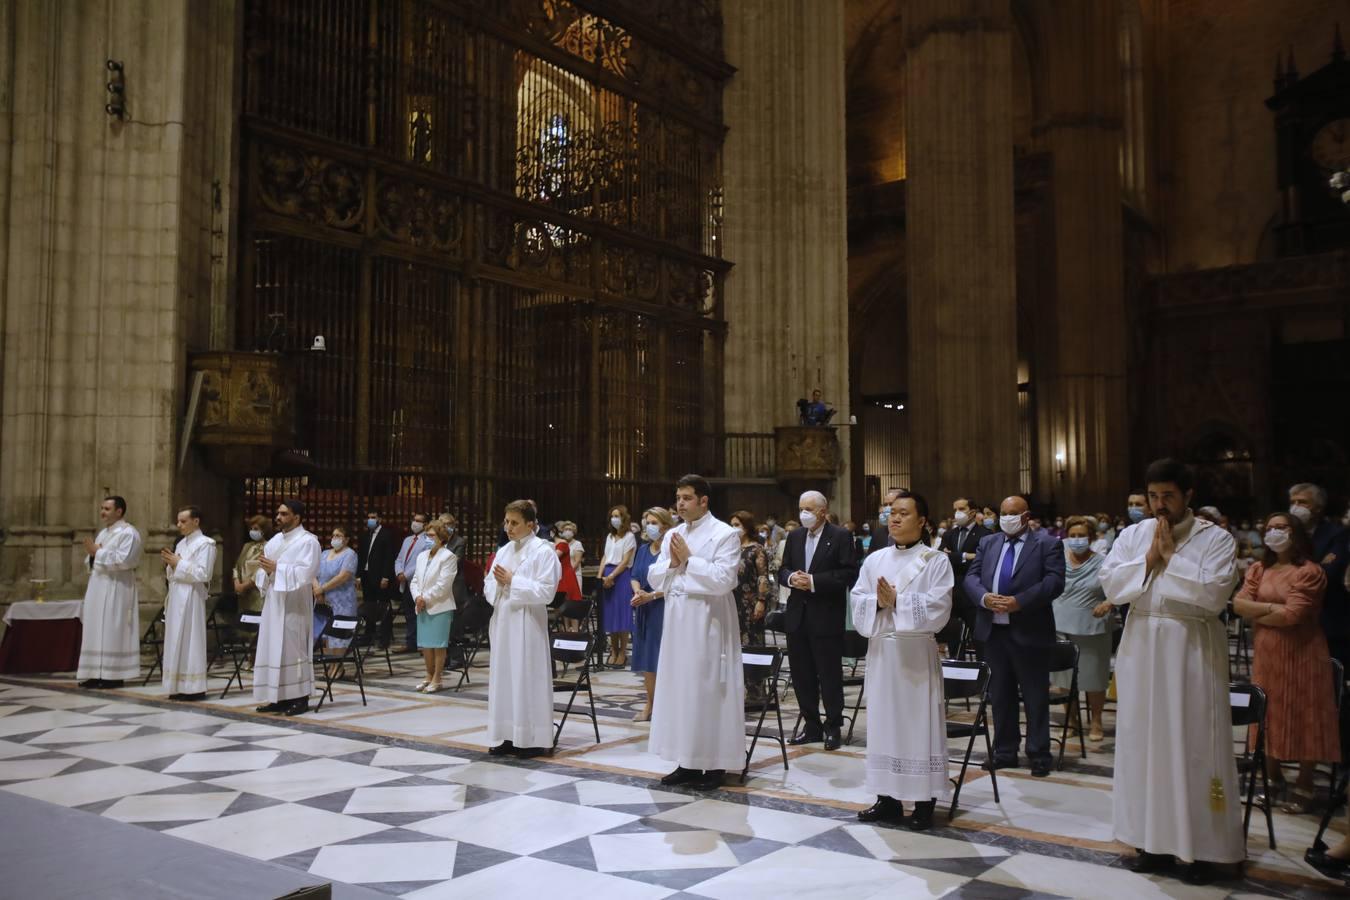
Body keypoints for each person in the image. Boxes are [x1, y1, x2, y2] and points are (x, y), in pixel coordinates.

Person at [1099, 458, 1242, 885]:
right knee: (1144, 744)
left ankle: (1200, 850)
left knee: (1193, 744)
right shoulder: (1133, 534)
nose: (1159, 506)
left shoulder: (1216, 539)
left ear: (1188, 496)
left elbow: (1213, 595)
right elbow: (1111, 584)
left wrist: (1169, 561)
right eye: (1153, 497)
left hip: (1190, 647)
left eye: (1168, 497)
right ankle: (1149, 842)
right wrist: (1148, 558)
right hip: (1141, 644)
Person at [851, 490, 953, 830]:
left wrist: (898, 601)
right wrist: (878, 604)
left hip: (915, 655)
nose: (894, 518)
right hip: (882, 651)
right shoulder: (874, 560)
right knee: (884, 723)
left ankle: (924, 801)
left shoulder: (935, 561)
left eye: (903, 513)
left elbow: (939, 609)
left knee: (916, 723)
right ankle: (888, 798)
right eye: (891, 512)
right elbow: (858, 601)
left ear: (922, 521)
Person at [1232, 512, 1340, 814]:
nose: (1274, 532)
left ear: (1296, 533)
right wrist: (1270, 607)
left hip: (1303, 652)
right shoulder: (1258, 568)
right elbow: (1239, 605)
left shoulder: (1309, 571)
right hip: (1268, 652)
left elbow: (1294, 615)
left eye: (1281, 527)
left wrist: (1259, 612)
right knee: (1269, 711)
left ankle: (1305, 781)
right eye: (1269, 528)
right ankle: (1273, 776)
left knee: (1305, 712)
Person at [648, 474, 745, 789]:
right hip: (678, 623)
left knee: (707, 690)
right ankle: (686, 761)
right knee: (681, 690)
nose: (680, 504)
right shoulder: (673, 533)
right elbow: (655, 577)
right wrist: (674, 565)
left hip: (709, 624)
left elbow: (723, 580)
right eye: (678, 498)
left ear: (704, 501)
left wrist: (688, 561)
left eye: (687, 498)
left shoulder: (725, 534)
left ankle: (714, 764)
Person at [965, 495, 1065, 777]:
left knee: (1034, 695)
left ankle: (1038, 752)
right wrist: (984, 597)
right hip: (993, 630)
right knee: (1000, 694)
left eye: (1013, 513)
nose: (1006, 518)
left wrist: (1019, 601)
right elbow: (971, 577)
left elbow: (1054, 582)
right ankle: (1005, 750)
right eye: (1003, 513)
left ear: (1025, 516)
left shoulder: (1047, 544)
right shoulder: (988, 542)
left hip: (1029, 629)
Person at [777, 491, 856, 749]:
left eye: (809, 509)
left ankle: (833, 726)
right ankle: (812, 726)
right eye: (801, 508)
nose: (804, 514)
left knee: (829, 675)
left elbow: (847, 573)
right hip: (797, 615)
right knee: (802, 676)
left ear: (823, 511)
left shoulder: (841, 536)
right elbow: (784, 568)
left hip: (826, 615)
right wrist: (791, 579)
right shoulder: (795, 535)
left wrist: (812, 581)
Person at [484, 499, 559, 758]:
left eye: (514, 523)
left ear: (530, 524)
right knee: (504, 676)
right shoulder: (504, 551)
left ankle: (533, 738)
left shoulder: (544, 551)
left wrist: (513, 581)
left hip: (527, 622)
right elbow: (488, 583)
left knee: (527, 677)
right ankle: (507, 734)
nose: (508, 527)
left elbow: (547, 592)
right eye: (506, 522)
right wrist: (498, 586)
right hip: (504, 620)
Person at [253, 500, 322, 716]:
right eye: (278, 513)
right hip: (274, 602)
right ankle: (277, 696)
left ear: (297, 517)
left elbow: (306, 574)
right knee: (273, 647)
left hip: (295, 604)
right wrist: (265, 571)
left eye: (284, 514)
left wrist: (277, 569)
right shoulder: (274, 541)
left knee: (294, 650)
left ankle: (299, 698)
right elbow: (264, 567)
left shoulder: (308, 542)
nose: (278, 517)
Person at [1052, 516, 1113, 742]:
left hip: (1093, 626)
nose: (1077, 540)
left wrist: (1109, 603)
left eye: (1082, 536)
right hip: (1061, 624)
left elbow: (1118, 589)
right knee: (1065, 678)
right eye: (1073, 536)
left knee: (1094, 677)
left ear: (1092, 537)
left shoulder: (1105, 562)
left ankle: (1096, 721)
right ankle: (1071, 720)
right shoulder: (1059, 560)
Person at [77, 496, 144, 688]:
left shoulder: (128, 533)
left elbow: (125, 560)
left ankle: (113, 674)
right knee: (95, 628)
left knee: (112, 628)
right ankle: (94, 672)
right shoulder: (103, 534)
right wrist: (93, 554)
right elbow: (90, 560)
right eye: (102, 508)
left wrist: (97, 552)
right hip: (98, 586)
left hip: (117, 588)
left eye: (106, 509)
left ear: (119, 511)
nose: (102, 512)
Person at [1288, 484, 1350, 688]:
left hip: (1328, 620)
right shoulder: (1286, 533)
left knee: (1330, 687)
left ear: (1318, 507)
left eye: (1302, 502)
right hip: (1292, 622)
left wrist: (1287, 577)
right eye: (1293, 502)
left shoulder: (1336, 534)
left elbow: (1327, 575)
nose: (1296, 507)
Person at [160, 506, 217, 701]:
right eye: (178, 521)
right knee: (175, 639)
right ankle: (176, 685)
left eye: (183, 521)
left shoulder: (206, 544)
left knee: (191, 639)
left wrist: (178, 563)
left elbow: (204, 573)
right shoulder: (182, 544)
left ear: (196, 521)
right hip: (177, 594)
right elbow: (174, 571)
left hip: (192, 596)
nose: (179, 525)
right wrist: (171, 564)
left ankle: (193, 687)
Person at [630, 507, 673, 722]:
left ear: (665, 525)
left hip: (663, 606)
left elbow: (675, 583)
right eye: (647, 521)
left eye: (653, 522)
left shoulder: (670, 550)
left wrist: (652, 596)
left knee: (662, 657)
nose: (649, 526)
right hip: (644, 607)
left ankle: (667, 706)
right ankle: (650, 703)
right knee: (647, 660)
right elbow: (635, 574)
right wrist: (638, 591)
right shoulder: (644, 549)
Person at [730, 510, 772, 707]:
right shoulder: (731, 548)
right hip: (732, 601)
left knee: (752, 643)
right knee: (734, 645)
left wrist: (761, 600)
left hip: (751, 602)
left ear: (746, 526)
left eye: (737, 524)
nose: (734, 528)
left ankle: (755, 690)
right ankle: (737, 687)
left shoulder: (756, 549)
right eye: (732, 524)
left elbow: (763, 576)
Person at [411, 521, 458, 693]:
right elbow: (415, 580)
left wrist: (426, 598)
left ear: (441, 538)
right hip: (421, 605)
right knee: (425, 644)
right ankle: (428, 675)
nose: (428, 539)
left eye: (431, 536)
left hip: (440, 606)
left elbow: (444, 584)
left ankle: (438, 678)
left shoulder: (448, 557)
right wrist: (417, 596)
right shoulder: (421, 556)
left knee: (438, 644)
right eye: (427, 535)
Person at [939, 497, 991, 648]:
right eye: (955, 509)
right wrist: (966, 556)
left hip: (973, 593)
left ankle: (983, 669)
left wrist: (953, 556)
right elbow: (941, 557)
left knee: (979, 639)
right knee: (954, 639)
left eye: (961, 509)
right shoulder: (949, 534)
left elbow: (982, 560)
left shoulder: (985, 534)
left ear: (973, 512)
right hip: (952, 592)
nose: (957, 513)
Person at [599, 506, 637, 666]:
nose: (614, 519)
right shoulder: (609, 536)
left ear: (624, 518)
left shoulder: (629, 537)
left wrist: (612, 576)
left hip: (621, 576)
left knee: (622, 615)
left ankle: (622, 652)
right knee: (611, 615)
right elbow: (605, 556)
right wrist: (600, 576)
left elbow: (626, 561)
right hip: (607, 574)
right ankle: (613, 650)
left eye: (617, 516)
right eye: (612, 516)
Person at [312, 526, 358, 654]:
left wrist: (322, 589)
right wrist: (317, 589)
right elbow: (313, 573)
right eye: (333, 535)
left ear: (347, 539)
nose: (334, 538)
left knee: (339, 636)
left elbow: (343, 577)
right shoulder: (324, 553)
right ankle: (330, 663)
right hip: (323, 601)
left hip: (343, 602)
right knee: (325, 634)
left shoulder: (350, 554)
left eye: (338, 536)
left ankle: (337, 666)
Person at [357, 510, 397, 650]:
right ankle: (369, 635)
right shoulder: (365, 535)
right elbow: (361, 556)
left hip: (381, 577)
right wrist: (358, 575)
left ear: (379, 518)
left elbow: (389, 557)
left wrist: (386, 576)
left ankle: (384, 638)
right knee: (369, 606)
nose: (370, 520)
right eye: (368, 518)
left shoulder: (386, 535)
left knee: (383, 607)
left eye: (373, 517)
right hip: (367, 575)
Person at [394, 513, 433, 653]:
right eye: (414, 520)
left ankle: (422, 644)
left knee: (420, 614)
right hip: (405, 583)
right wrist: (399, 572)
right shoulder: (407, 540)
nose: (415, 523)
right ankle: (410, 643)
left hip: (418, 581)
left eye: (419, 521)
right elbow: (399, 558)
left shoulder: (428, 540)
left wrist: (407, 574)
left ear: (426, 524)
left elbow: (422, 561)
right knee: (409, 614)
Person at [232, 515, 271, 614]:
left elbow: (262, 570)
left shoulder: (269, 546)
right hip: (242, 595)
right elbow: (237, 566)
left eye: (256, 529)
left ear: (264, 530)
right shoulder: (247, 546)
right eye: (251, 528)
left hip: (257, 594)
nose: (252, 531)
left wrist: (244, 586)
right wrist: (237, 583)